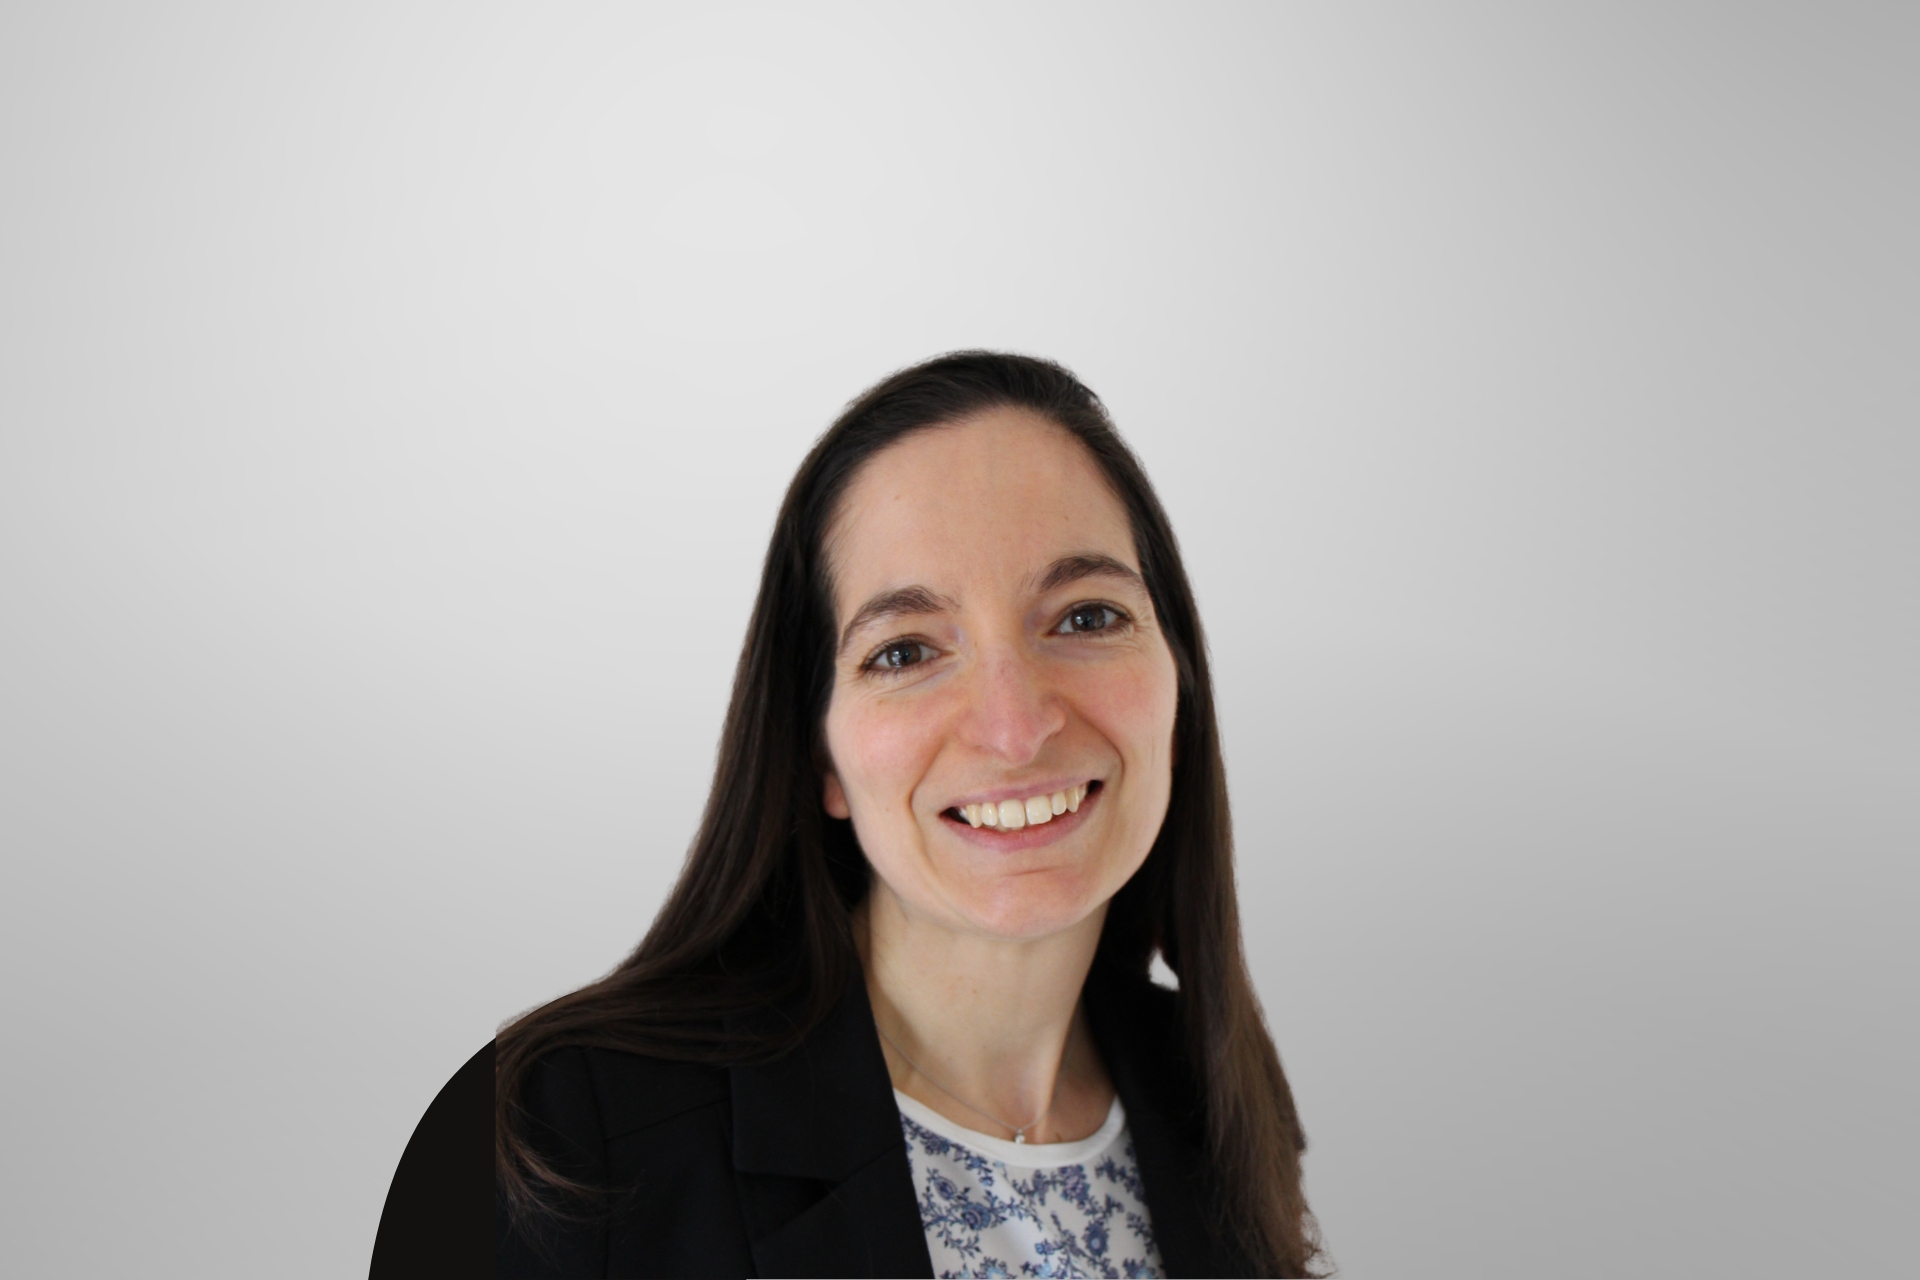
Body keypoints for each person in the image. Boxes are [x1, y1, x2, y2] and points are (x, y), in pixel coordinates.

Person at [372, 352, 1326, 1278]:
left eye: (1085, 617)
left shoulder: (1219, 1099)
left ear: (1179, 680)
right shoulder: (543, 1138)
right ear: (817, 752)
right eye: (906, 651)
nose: (1015, 728)